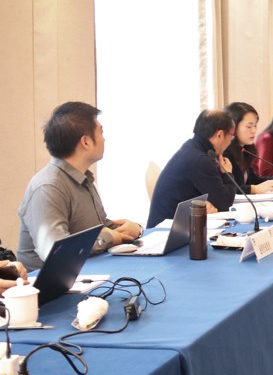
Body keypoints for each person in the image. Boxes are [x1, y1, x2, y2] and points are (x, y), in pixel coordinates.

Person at [16, 102, 143, 271]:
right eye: (101, 132)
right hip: (49, 283)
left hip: (86, 272)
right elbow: (57, 251)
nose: (104, 138)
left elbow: (101, 227)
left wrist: (134, 229)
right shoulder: (48, 187)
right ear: (85, 142)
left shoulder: (84, 179)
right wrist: (109, 237)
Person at [147, 110, 239, 228]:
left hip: (177, 225)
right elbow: (224, 203)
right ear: (220, 134)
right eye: (232, 136)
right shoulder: (200, 159)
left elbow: (216, 200)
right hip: (165, 231)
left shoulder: (192, 148)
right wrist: (228, 173)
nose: (231, 141)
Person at [223, 102, 273, 194]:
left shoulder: (244, 150)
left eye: (255, 125)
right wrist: (254, 189)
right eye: (249, 126)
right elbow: (228, 189)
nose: (254, 130)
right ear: (232, 127)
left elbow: (254, 180)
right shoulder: (224, 152)